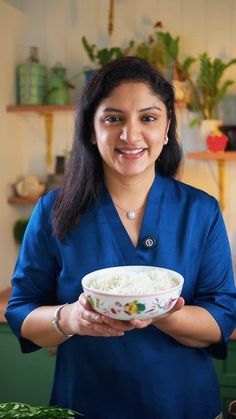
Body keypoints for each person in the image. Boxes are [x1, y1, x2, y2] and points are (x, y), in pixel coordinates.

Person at [5, 56, 236, 419]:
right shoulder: (53, 209)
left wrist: (161, 314)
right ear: (90, 130)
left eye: (148, 118)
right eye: (113, 119)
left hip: (185, 406)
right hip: (85, 405)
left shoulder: (201, 211)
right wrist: (71, 319)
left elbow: (221, 317)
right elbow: (22, 311)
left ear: (166, 127)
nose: (130, 135)